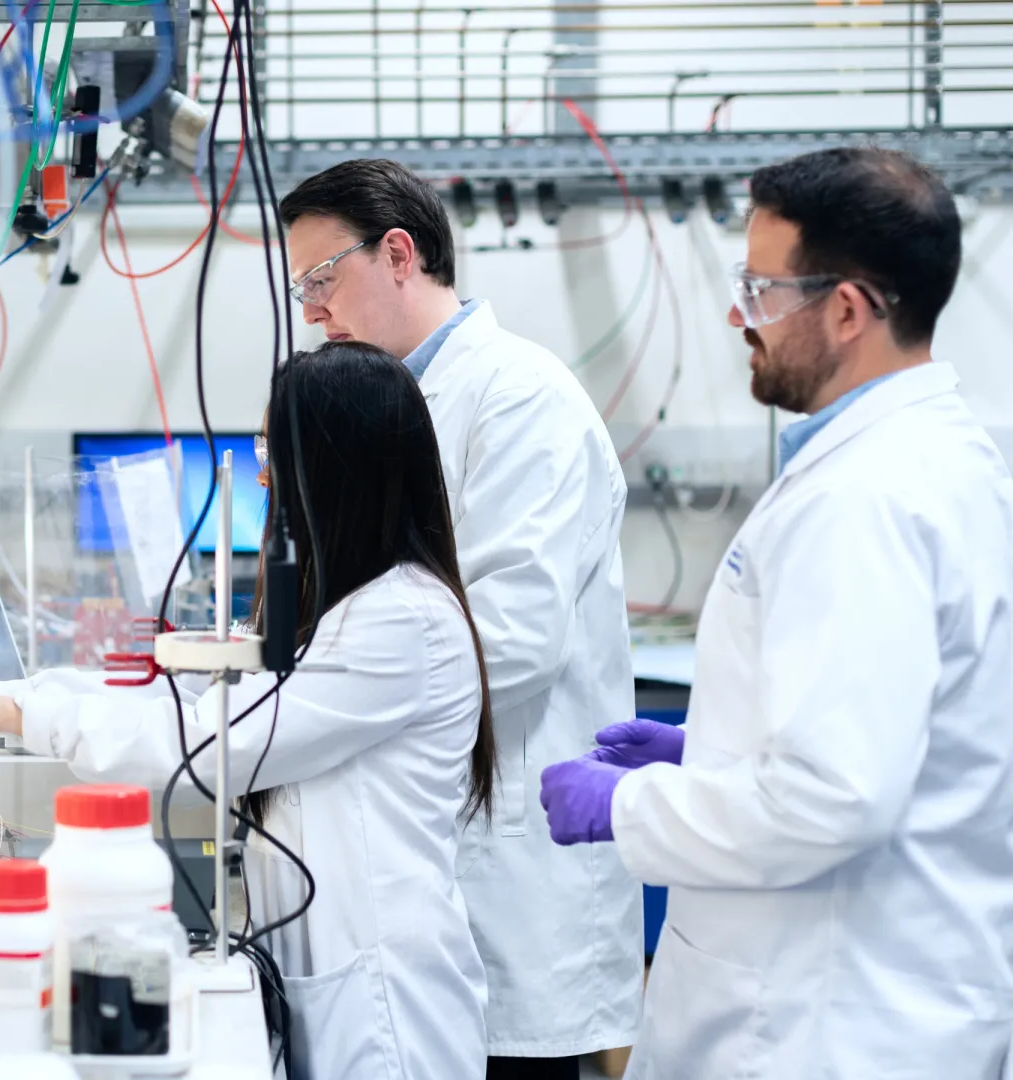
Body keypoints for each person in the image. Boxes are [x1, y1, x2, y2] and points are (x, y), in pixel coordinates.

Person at [539, 147, 1013, 1078]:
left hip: (827, 1022)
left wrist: (632, 804)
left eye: (762, 291)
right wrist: (717, 749)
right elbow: (893, 737)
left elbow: (831, 801)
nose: (739, 315)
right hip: (893, 989)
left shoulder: (864, 498)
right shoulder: (936, 458)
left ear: (848, 310)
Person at [0, 342, 495, 1079]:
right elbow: (199, 698)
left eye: (275, 450)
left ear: (337, 465)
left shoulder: (400, 621)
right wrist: (16, 697)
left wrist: (11, 714)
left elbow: (209, 747)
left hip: (387, 1008)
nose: (262, 472)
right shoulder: (357, 605)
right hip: (339, 972)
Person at [276, 159, 641, 1077]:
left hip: (509, 865)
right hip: (422, 858)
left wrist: (323, 707)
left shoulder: (522, 398)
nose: (312, 311)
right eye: (302, 290)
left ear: (399, 254)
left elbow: (510, 640)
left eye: (321, 280)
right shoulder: (387, 406)